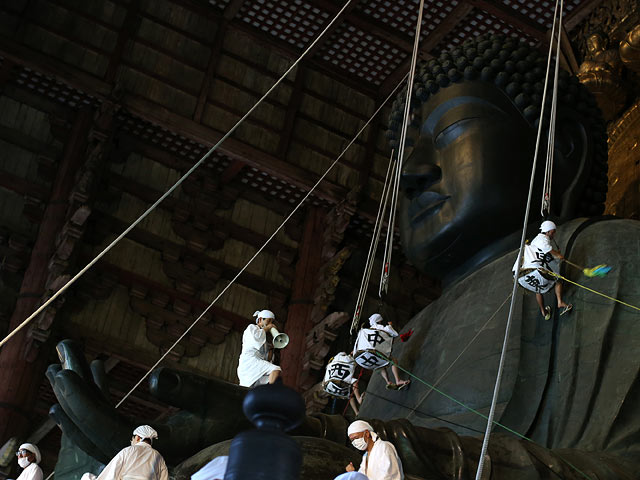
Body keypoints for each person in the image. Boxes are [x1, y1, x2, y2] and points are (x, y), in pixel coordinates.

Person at [84, 425, 168, 480]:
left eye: (133, 439)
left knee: (87, 477)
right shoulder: (158, 456)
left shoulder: (128, 451)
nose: (132, 441)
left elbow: (112, 473)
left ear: (138, 438)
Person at [529, 220, 572, 319]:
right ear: (547, 232)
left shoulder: (536, 239)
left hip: (532, 267)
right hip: (539, 266)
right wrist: (559, 255)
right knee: (558, 280)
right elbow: (547, 249)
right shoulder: (543, 240)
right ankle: (560, 302)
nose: (554, 234)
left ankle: (543, 312)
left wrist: (555, 253)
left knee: (538, 290)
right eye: (553, 232)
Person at [237, 309, 282, 387]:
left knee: (270, 377)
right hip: (249, 362)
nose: (270, 324)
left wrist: (271, 349)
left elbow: (267, 360)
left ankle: (264, 393)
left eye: (272, 322)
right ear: (261, 319)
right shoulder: (251, 328)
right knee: (276, 369)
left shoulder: (263, 340)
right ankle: (271, 390)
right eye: (269, 321)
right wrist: (268, 328)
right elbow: (256, 339)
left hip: (255, 364)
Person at [367, 314, 409, 390]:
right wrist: (390, 326)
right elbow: (393, 333)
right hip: (377, 351)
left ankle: (388, 382)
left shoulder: (367, 331)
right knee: (394, 361)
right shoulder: (378, 327)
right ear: (378, 321)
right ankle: (398, 380)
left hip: (369, 355)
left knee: (381, 366)